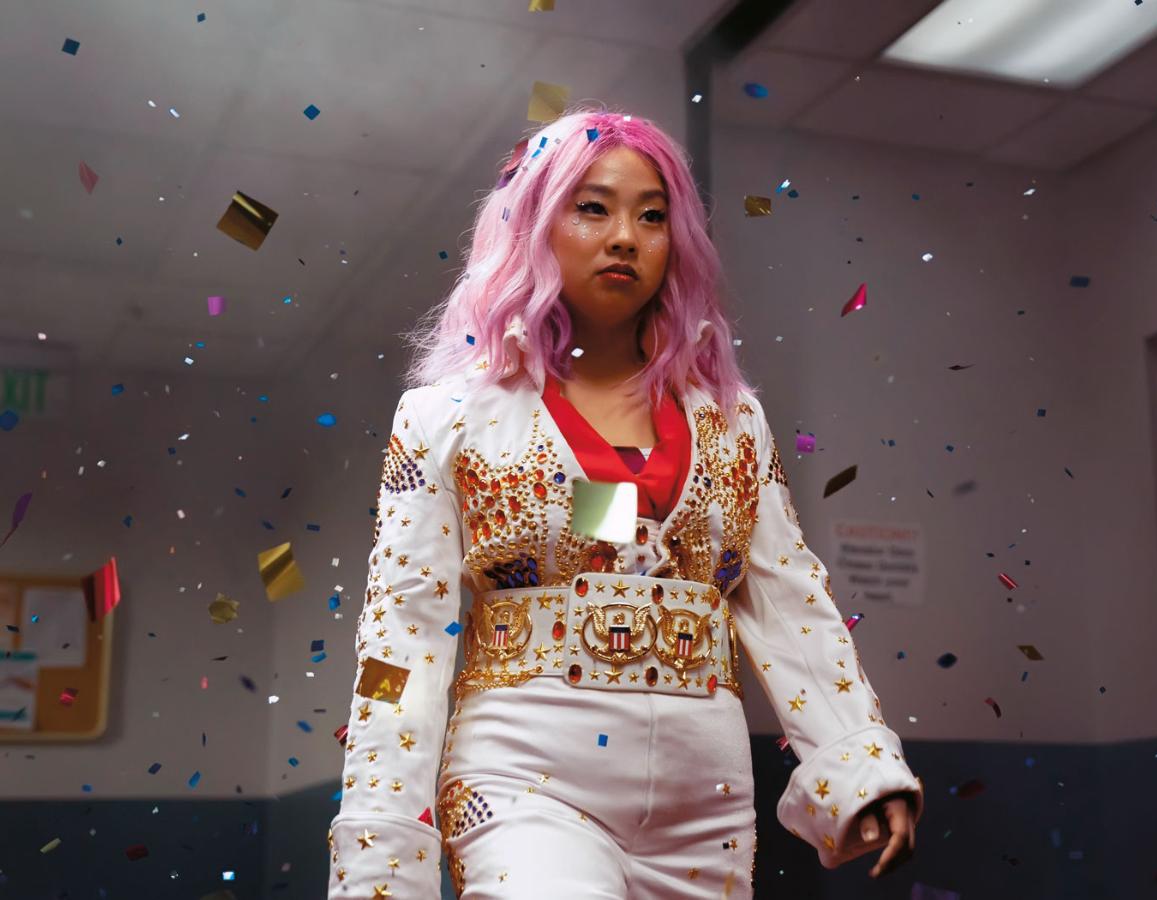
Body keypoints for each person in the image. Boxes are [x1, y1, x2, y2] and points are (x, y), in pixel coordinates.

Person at [327, 105, 924, 899]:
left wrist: (862, 767)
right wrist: (381, 864)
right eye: (592, 208)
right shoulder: (449, 417)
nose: (624, 238)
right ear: (534, 224)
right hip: (522, 778)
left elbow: (789, 600)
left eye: (652, 216)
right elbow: (402, 643)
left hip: (705, 802)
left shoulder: (733, 419)